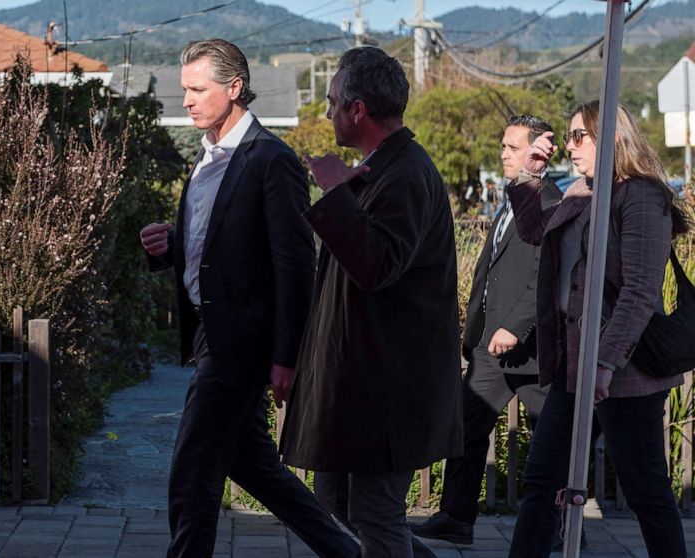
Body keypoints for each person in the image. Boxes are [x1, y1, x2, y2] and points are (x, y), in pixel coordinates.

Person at [138, 38, 358, 558]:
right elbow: (219, 245)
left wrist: (285, 356)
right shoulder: (206, 156)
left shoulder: (271, 159)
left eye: (197, 89)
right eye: (183, 90)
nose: (186, 100)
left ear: (234, 88)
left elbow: (293, 265)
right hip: (213, 335)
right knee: (255, 468)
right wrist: (169, 245)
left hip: (243, 344)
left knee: (191, 475)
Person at [278, 46, 463, 558]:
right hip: (363, 387)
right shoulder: (383, 168)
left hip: (392, 389)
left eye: (334, 102)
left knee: (377, 514)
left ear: (358, 109)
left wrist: (336, 190)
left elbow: (378, 265)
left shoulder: (405, 174)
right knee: (336, 500)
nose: (328, 112)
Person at [507, 100, 689, 558]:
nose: (569, 146)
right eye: (567, 137)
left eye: (578, 136)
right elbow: (536, 233)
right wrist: (529, 178)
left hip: (622, 370)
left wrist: (605, 362)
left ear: (612, 137)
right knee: (542, 479)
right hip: (576, 363)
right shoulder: (583, 192)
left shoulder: (641, 196)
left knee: (645, 488)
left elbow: (640, 292)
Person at [412, 115, 561, 545]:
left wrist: (515, 327)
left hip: (531, 349)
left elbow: (544, 278)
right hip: (489, 348)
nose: (504, 154)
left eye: (512, 148)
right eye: (503, 146)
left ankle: (562, 527)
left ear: (537, 152)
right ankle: (456, 519)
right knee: (466, 427)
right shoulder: (509, 201)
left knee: (550, 440)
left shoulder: (549, 204)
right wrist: (475, 332)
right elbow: (491, 272)